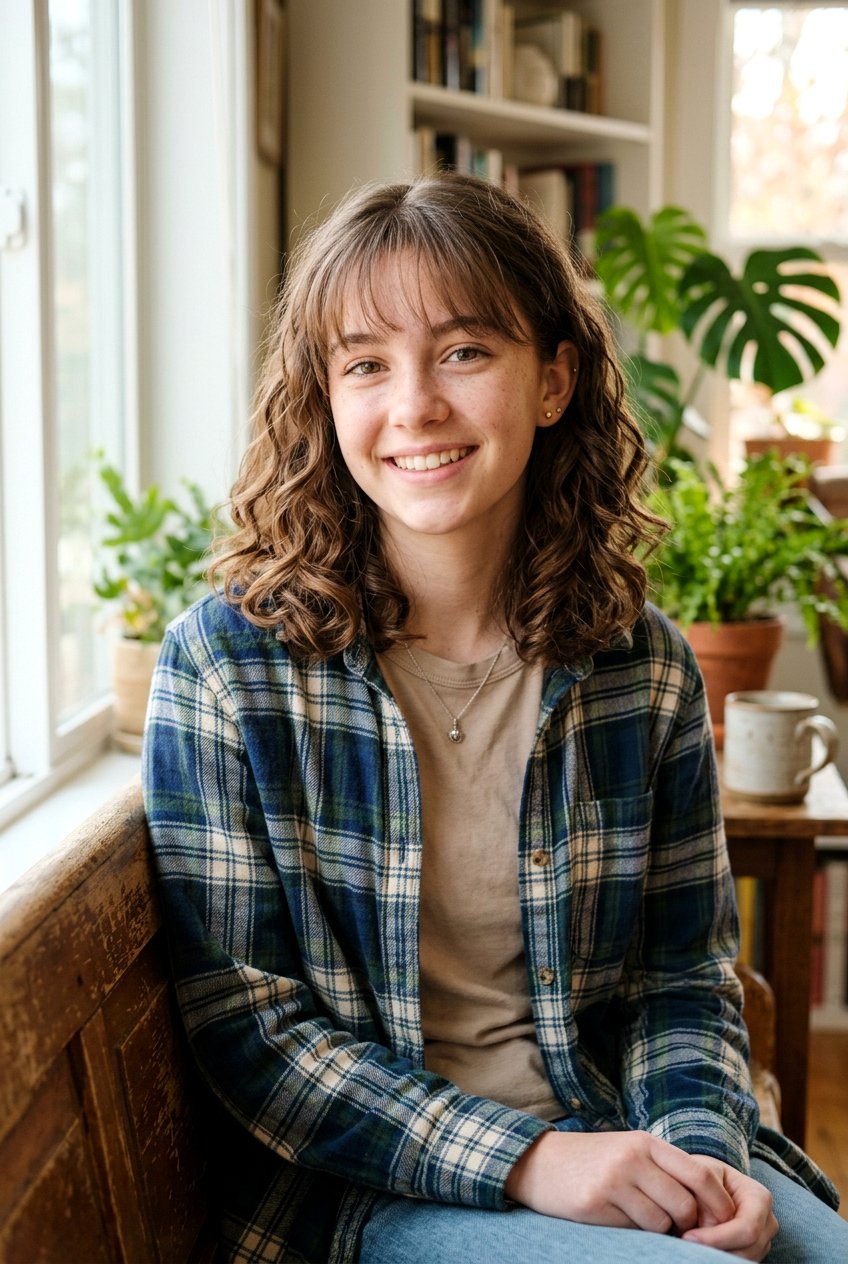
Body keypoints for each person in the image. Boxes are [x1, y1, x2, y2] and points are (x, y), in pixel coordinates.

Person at [142, 173, 845, 1264]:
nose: (415, 405)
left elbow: (680, 981)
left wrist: (702, 1163)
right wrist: (530, 1160)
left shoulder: (641, 668)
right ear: (325, 398)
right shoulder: (227, 670)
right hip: (374, 1189)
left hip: (619, 1134)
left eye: (464, 351)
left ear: (553, 380)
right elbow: (256, 1033)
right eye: (366, 364)